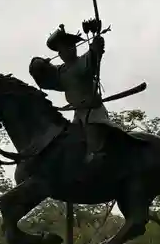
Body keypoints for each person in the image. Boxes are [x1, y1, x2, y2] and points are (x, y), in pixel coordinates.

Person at [29, 24, 109, 166]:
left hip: (94, 113)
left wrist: (97, 44)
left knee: (96, 146)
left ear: (74, 48)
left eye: (66, 47)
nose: (63, 52)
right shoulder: (61, 72)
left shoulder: (83, 61)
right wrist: (37, 65)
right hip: (78, 116)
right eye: (60, 50)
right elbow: (46, 80)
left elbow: (94, 56)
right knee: (70, 143)